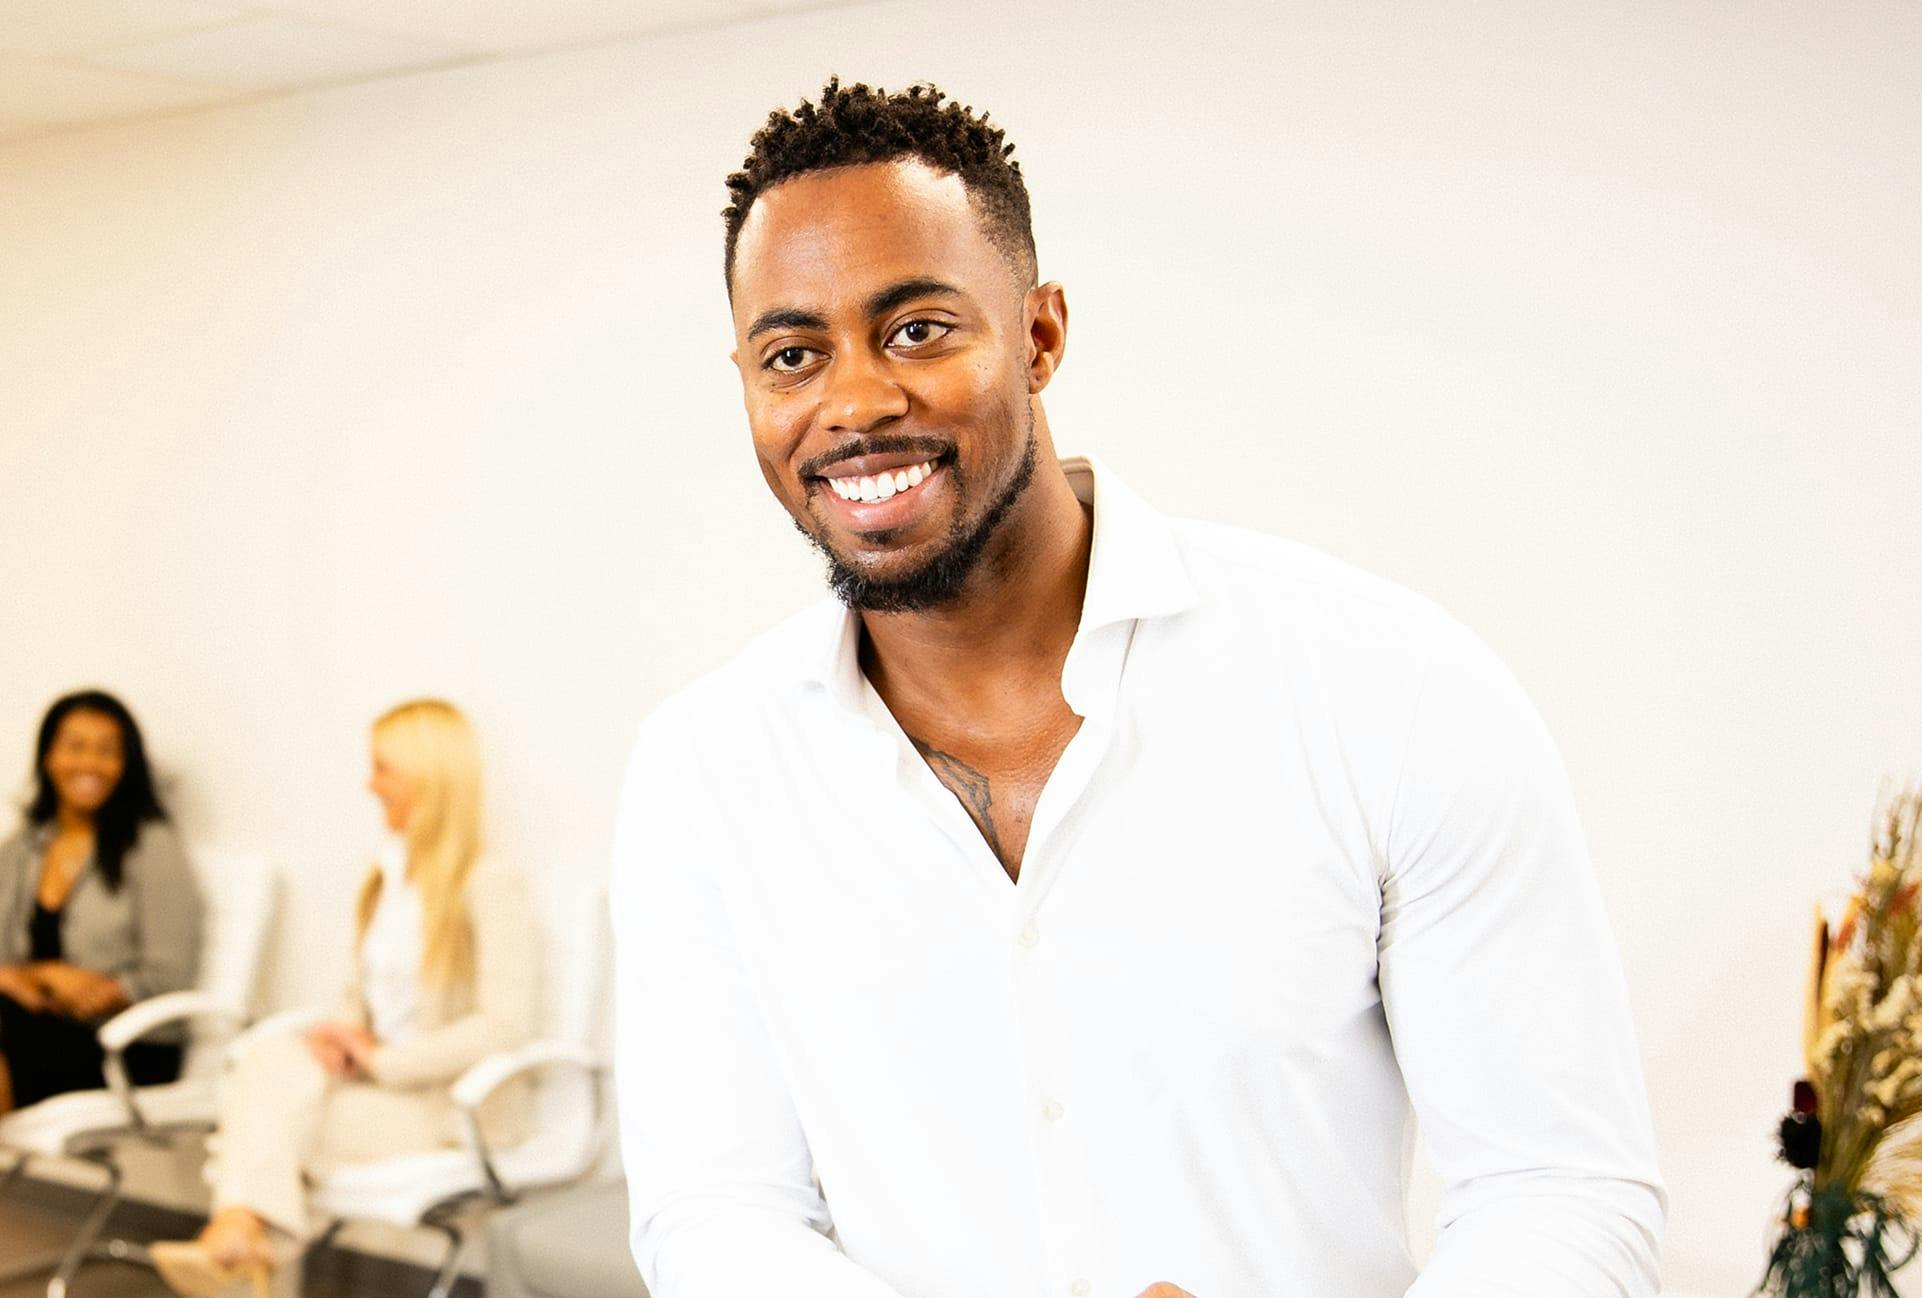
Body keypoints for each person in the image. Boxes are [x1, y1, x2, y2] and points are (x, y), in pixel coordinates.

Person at [610, 78, 1665, 1298]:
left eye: (917, 330)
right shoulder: (705, 771)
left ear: (1041, 335)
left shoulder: (1383, 684)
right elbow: (716, 1216)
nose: (853, 402)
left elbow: (1560, 1187)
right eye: (792, 354)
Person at [151, 699, 538, 1298]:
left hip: (449, 1109)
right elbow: (368, 993)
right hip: (374, 1083)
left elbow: (504, 1025)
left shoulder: (488, 882)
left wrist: (382, 1060)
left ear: (427, 778)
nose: (370, 784)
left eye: (383, 769)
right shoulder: (390, 873)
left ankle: (237, 1240)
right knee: (267, 1063)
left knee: (271, 1129)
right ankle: (241, 1237)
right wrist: (340, 1032)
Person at [0, 690, 201, 1115]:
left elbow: (169, 974)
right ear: (48, 757)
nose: (89, 764)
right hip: (27, 1026)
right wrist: (43, 975)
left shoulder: (152, 845)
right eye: (74, 747)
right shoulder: (23, 848)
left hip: (121, 1045)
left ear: (127, 765)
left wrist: (105, 992)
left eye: (107, 751)